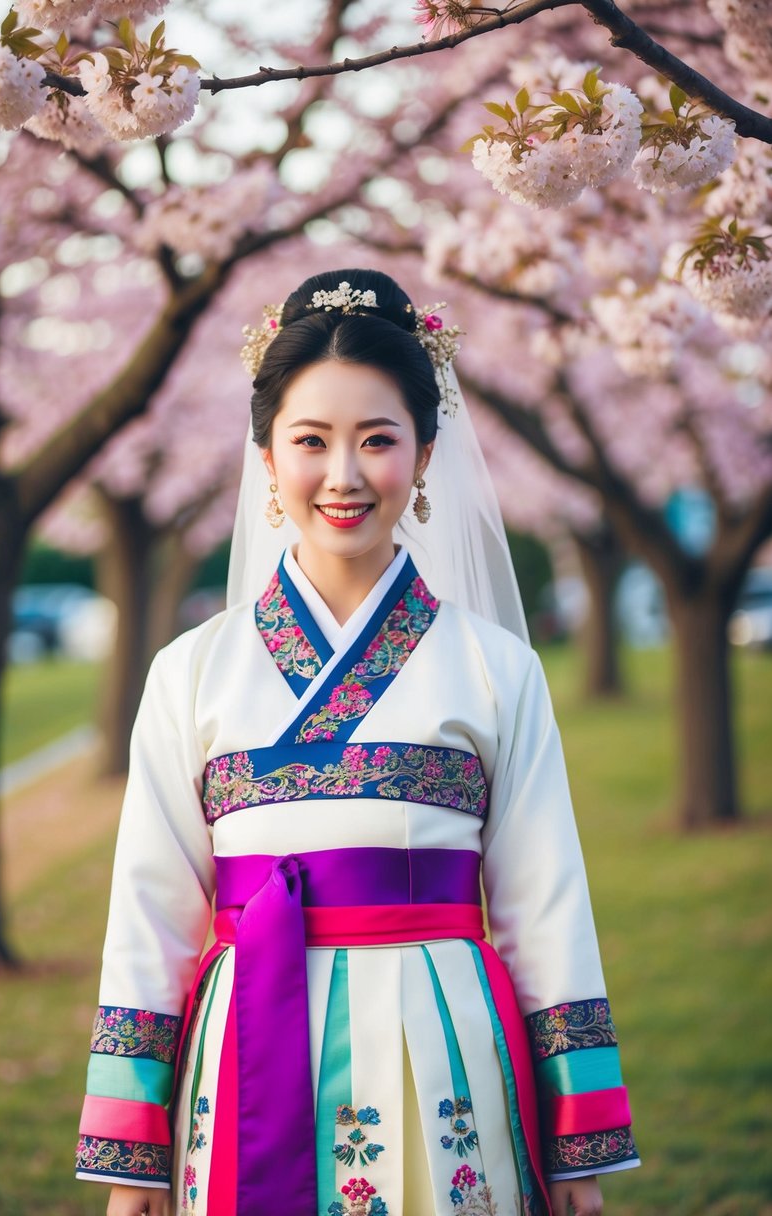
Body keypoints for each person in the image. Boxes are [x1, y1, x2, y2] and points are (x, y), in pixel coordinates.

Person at [76, 269, 639, 1216]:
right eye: (311, 441)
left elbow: (547, 911)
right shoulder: (190, 672)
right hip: (248, 1048)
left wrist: (576, 1146)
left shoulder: (496, 668)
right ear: (266, 457)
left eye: (378, 440)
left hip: (444, 1042)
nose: (343, 475)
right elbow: (150, 916)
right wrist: (131, 1159)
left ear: (423, 457)